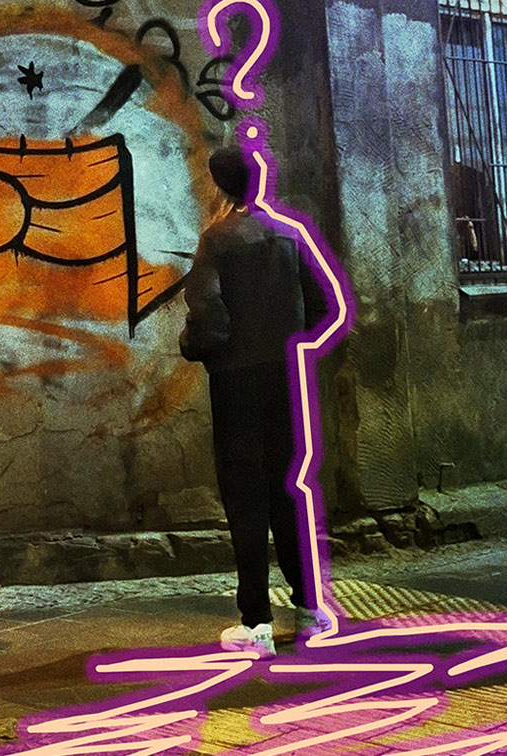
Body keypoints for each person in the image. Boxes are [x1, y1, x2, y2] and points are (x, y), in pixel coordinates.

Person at [180, 145, 328, 656]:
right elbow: (323, 305)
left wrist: (198, 347)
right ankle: (309, 609)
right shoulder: (290, 233)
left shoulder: (217, 239)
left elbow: (207, 312)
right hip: (286, 376)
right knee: (289, 489)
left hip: (236, 382)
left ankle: (256, 623)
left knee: (245, 495)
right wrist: (289, 339)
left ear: (220, 185)